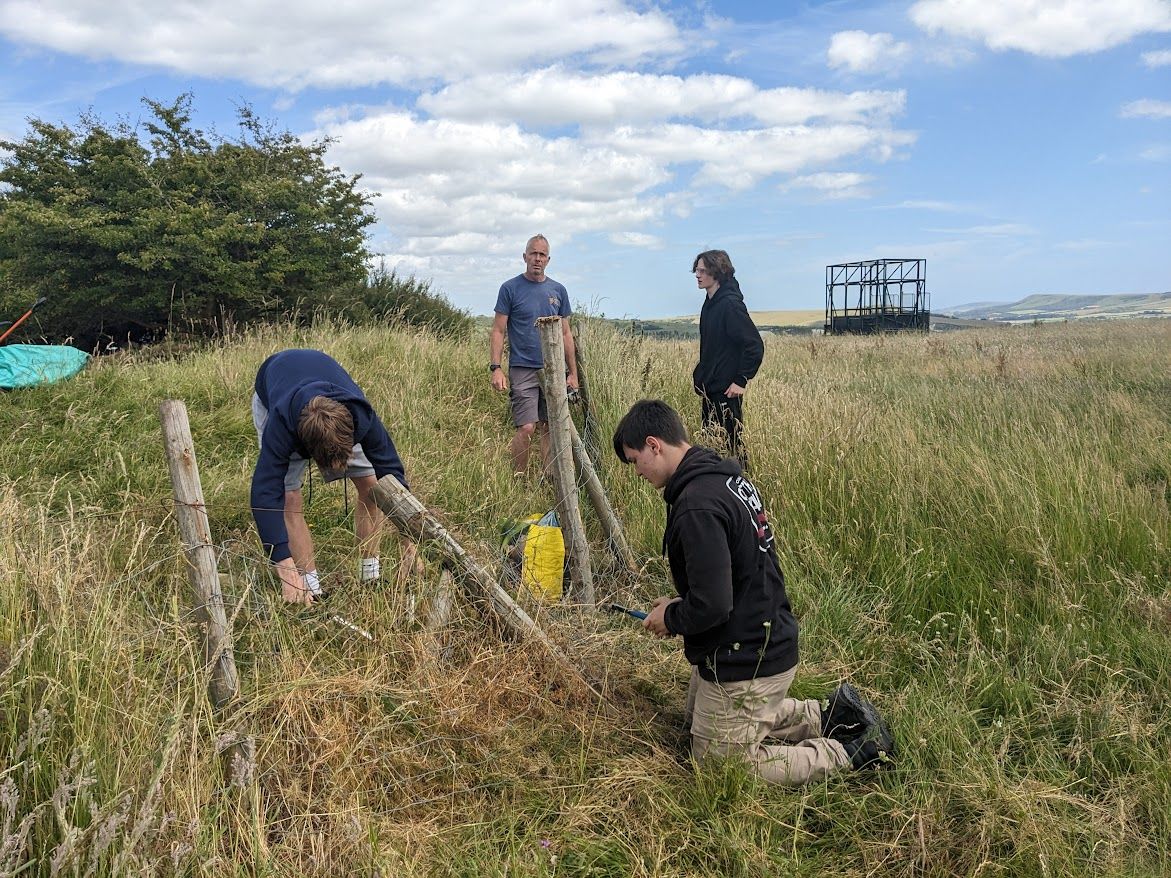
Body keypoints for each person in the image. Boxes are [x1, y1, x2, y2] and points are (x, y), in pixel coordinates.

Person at [612, 399, 894, 785]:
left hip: (748, 654)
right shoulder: (722, 477)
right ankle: (827, 715)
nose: (637, 471)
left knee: (719, 768)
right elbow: (733, 575)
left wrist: (673, 618)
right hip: (758, 633)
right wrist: (680, 604)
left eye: (635, 460)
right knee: (697, 722)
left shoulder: (697, 504)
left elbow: (713, 603)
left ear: (654, 444)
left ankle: (848, 753)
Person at [251, 349, 408, 605]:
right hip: (276, 391)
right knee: (289, 498)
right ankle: (311, 588)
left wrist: (409, 538)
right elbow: (265, 494)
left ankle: (370, 574)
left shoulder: (361, 415)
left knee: (372, 487)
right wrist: (286, 570)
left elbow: (391, 473)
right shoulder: (280, 426)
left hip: (332, 406)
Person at [490, 234, 579, 475]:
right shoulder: (510, 288)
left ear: (548, 260)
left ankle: (548, 477)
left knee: (550, 425)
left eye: (542, 255)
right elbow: (498, 330)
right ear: (525, 257)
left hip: (553, 370)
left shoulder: (558, 290)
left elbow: (565, 334)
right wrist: (496, 368)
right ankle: (519, 477)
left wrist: (573, 373)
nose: (537, 259)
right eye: (533, 253)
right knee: (527, 427)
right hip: (523, 368)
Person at [691, 250, 764, 469]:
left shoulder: (730, 305)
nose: (697, 274)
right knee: (712, 447)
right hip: (710, 389)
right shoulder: (710, 303)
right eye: (697, 269)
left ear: (717, 272)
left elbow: (754, 345)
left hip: (727, 391)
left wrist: (741, 380)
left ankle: (743, 490)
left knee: (734, 448)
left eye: (703, 270)